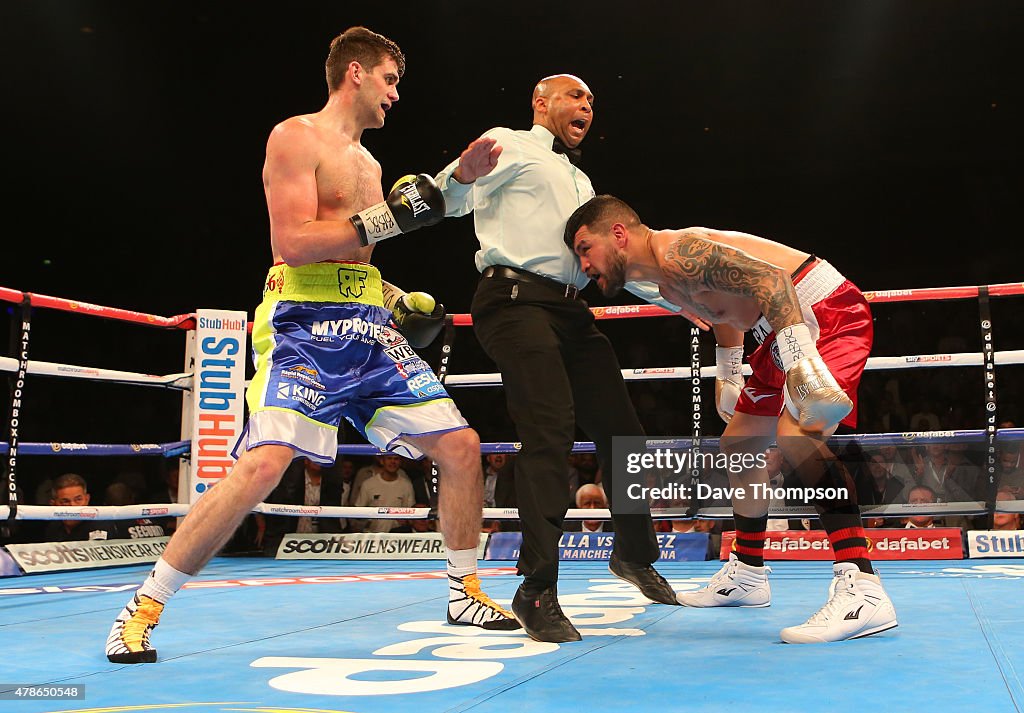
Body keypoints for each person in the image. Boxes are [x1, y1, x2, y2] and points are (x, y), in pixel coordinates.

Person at [105, 27, 517, 665]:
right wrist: (400, 215)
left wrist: (396, 297)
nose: (396, 95)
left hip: (366, 322)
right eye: (390, 79)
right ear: (355, 73)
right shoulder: (295, 137)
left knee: (461, 447)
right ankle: (143, 607)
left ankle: (464, 589)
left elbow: (361, 250)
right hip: (302, 324)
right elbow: (298, 244)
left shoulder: (372, 164)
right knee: (264, 465)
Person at [563, 194, 898, 643]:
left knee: (798, 435)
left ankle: (863, 586)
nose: (583, 265)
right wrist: (728, 372)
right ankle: (748, 573)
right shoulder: (668, 285)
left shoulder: (681, 251)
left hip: (821, 310)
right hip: (772, 332)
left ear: (618, 234)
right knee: (739, 445)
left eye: (586, 248)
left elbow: (772, 280)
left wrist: (800, 362)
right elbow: (723, 310)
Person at [435, 74, 677, 642]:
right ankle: (536, 588)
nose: (587, 108)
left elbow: (607, 258)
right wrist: (458, 176)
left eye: (592, 102)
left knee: (624, 432)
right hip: (514, 299)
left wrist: (679, 300)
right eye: (576, 97)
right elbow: (448, 201)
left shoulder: (581, 178)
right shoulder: (510, 143)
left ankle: (635, 553)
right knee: (549, 430)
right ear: (541, 103)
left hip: (570, 310)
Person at [45, 473, 119, 542]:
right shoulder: (54, 527)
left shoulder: (100, 525)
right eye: (65, 501)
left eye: (78, 499)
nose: (73, 505)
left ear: (87, 499)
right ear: (53, 504)